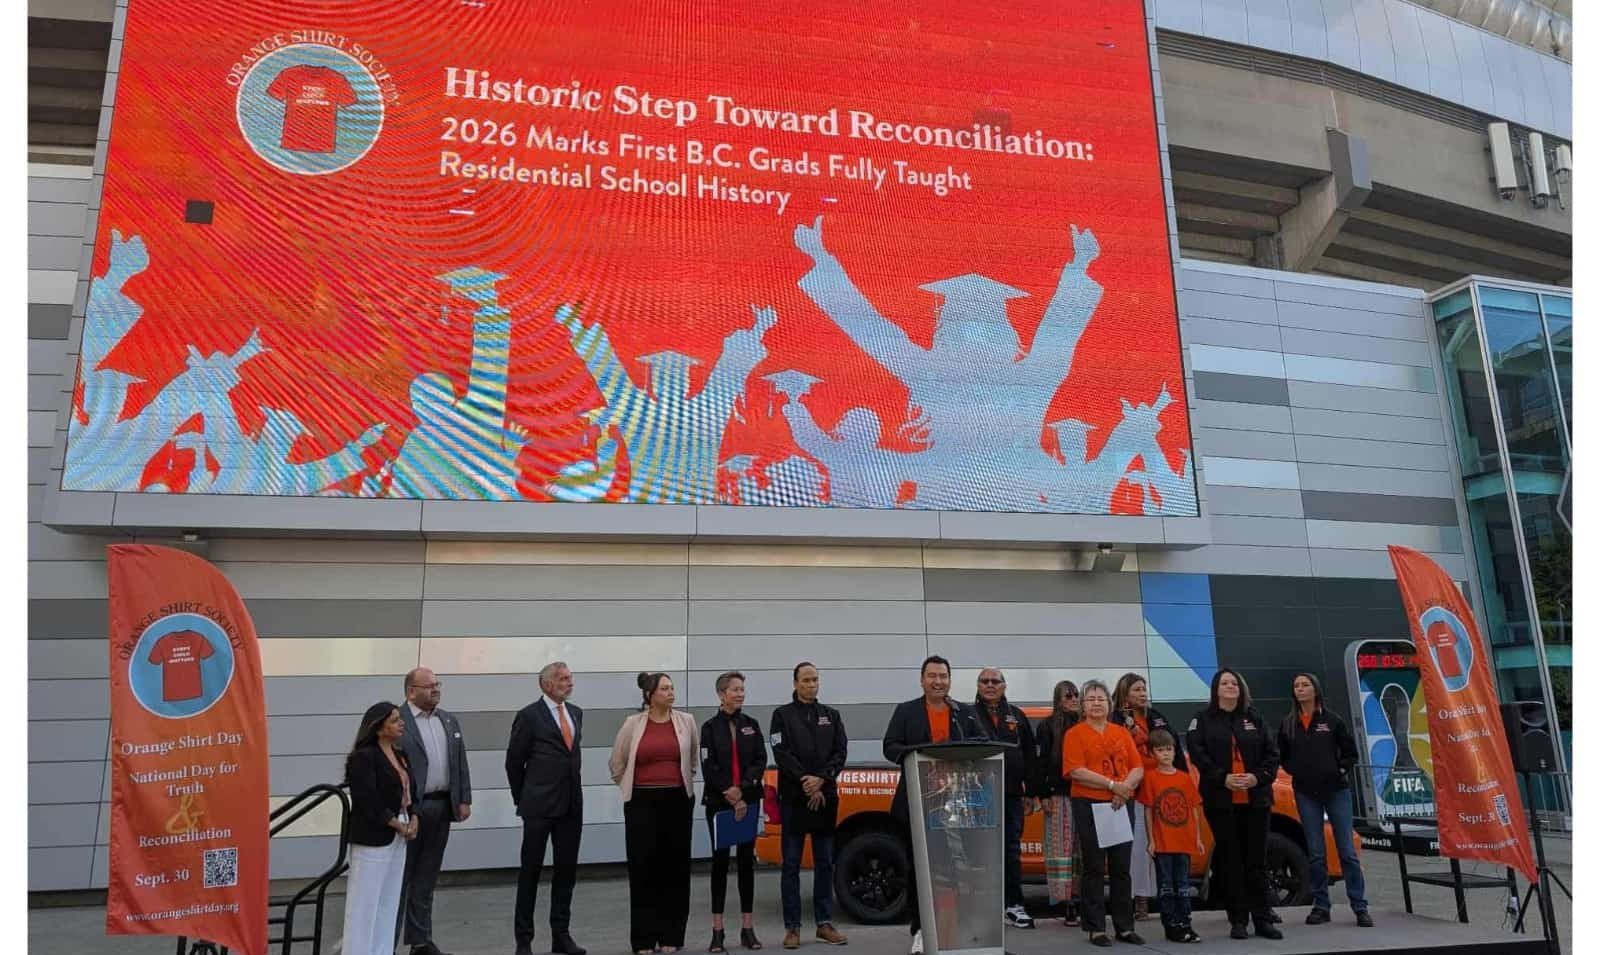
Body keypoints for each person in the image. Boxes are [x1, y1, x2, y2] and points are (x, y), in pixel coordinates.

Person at [883, 655, 982, 955]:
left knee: (957, 871)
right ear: (922, 680)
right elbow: (890, 747)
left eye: (943, 676)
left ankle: (958, 931)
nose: (938, 681)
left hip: (958, 805)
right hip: (918, 803)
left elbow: (982, 742)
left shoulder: (962, 712)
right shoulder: (906, 711)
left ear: (949, 680)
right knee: (922, 871)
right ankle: (921, 930)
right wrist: (923, 754)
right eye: (932, 676)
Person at [1185, 669, 1283, 941]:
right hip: (1221, 801)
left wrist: (1257, 777)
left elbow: (1272, 753)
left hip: (1256, 800)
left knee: (1257, 861)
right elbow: (1198, 755)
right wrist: (1223, 778)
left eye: (1234, 683)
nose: (1230, 686)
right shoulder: (1202, 719)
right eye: (1224, 683)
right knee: (1231, 862)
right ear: (1216, 689)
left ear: (1241, 689)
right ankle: (1238, 920)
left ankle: (1263, 919)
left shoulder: (1255, 717)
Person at [611, 672, 701, 955]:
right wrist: (630, 787)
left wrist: (681, 783)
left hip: (677, 800)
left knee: (675, 868)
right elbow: (617, 763)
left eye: (672, 688)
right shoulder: (633, 724)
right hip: (642, 802)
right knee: (643, 868)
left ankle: (671, 935)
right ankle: (644, 939)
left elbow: (693, 759)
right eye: (664, 688)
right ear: (650, 695)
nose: (670, 692)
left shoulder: (686, 721)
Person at [505, 662, 587, 955]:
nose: (569, 682)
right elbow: (514, 762)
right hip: (538, 807)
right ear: (547, 684)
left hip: (571, 806)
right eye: (563, 679)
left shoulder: (575, 713)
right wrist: (524, 798)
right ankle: (523, 939)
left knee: (566, 872)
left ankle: (560, 935)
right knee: (530, 872)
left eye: (570, 678)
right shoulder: (529, 716)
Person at [1278, 672, 1371, 928]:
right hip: (1306, 793)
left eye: (1305, 685)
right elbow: (1282, 755)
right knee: (1316, 853)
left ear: (1315, 689)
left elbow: (1350, 753)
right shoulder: (1288, 724)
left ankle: (1360, 906)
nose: (1300, 689)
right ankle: (1321, 906)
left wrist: (1338, 769)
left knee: (1347, 852)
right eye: (1296, 685)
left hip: (1336, 792)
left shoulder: (1332, 721)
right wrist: (1296, 770)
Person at [769, 662, 850, 949]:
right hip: (794, 799)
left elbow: (840, 752)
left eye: (815, 679)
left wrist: (822, 780)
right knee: (791, 864)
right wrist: (806, 782)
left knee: (824, 862)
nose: (811, 684)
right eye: (806, 680)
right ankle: (792, 928)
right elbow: (781, 753)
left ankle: (824, 923)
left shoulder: (831, 716)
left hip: (825, 797)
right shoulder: (781, 716)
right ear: (795, 683)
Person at [1061, 680, 1145, 948]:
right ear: (1082, 706)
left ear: (1109, 704)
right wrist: (1111, 785)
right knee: (1094, 867)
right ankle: (1096, 927)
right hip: (1089, 804)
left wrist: (1124, 789)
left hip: (1121, 803)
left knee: (1121, 868)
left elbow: (1138, 767)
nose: (1096, 703)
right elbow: (1076, 771)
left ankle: (1125, 926)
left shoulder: (1121, 732)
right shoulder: (1074, 734)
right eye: (1091, 699)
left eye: (1101, 699)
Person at [396, 668, 471, 955]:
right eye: (429, 685)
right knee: (400, 878)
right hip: (410, 810)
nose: (436, 689)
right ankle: (386, 942)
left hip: (442, 806)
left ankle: (420, 942)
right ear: (411, 691)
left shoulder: (448, 720)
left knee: (426, 877)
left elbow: (460, 762)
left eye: (437, 684)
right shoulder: (397, 721)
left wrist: (464, 798)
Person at [700, 671, 768, 952]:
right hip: (719, 803)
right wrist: (729, 792)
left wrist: (742, 789)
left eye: (742, 689)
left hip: (748, 800)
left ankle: (747, 928)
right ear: (721, 694)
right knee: (719, 864)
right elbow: (708, 765)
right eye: (735, 689)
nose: (740, 694)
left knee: (745, 863)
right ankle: (717, 931)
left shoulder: (751, 724)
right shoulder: (709, 728)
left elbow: (760, 759)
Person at [342, 702, 418, 955]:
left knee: (389, 900)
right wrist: (395, 823)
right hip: (374, 834)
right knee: (365, 904)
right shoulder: (363, 757)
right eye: (395, 720)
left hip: (400, 831)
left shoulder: (401, 755)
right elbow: (367, 799)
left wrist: (414, 818)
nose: (401, 723)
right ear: (378, 727)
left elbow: (412, 792)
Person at [1112, 672, 1185, 923]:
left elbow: (1175, 749)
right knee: (1137, 848)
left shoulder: (1156, 717)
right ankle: (1139, 898)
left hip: (1161, 790)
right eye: (1136, 690)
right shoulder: (1115, 719)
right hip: (1132, 791)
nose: (1143, 694)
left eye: (1144, 689)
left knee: (1161, 846)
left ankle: (1165, 898)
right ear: (1124, 694)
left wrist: (1182, 779)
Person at [972, 666, 1037, 929]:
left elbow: (1030, 756)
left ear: (1004, 686)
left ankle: (1013, 905)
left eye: (995, 681)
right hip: (978, 795)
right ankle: (983, 907)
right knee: (980, 851)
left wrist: (1030, 792)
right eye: (985, 681)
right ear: (978, 685)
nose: (990, 685)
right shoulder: (965, 715)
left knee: (1011, 851)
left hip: (1011, 795)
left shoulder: (1016, 716)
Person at [1136, 729, 1202, 944]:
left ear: (1175, 751)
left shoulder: (1184, 778)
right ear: (1152, 753)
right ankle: (1171, 924)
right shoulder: (1150, 778)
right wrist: (1151, 840)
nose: (1166, 754)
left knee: (1183, 884)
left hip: (1183, 840)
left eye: (1169, 749)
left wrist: (1197, 837)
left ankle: (1185, 923)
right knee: (1166, 884)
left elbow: (1193, 808)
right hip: (1163, 842)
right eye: (1160, 750)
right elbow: (1148, 810)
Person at [1033, 680, 1081, 926]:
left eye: (1076, 695)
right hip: (1058, 796)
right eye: (1067, 695)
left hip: (1085, 794)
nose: (1073, 699)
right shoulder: (1047, 726)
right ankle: (1067, 904)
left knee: (1081, 851)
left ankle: (1080, 898)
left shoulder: (1085, 724)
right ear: (1058, 699)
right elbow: (1040, 763)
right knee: (1061, 851)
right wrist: (1043, 795)